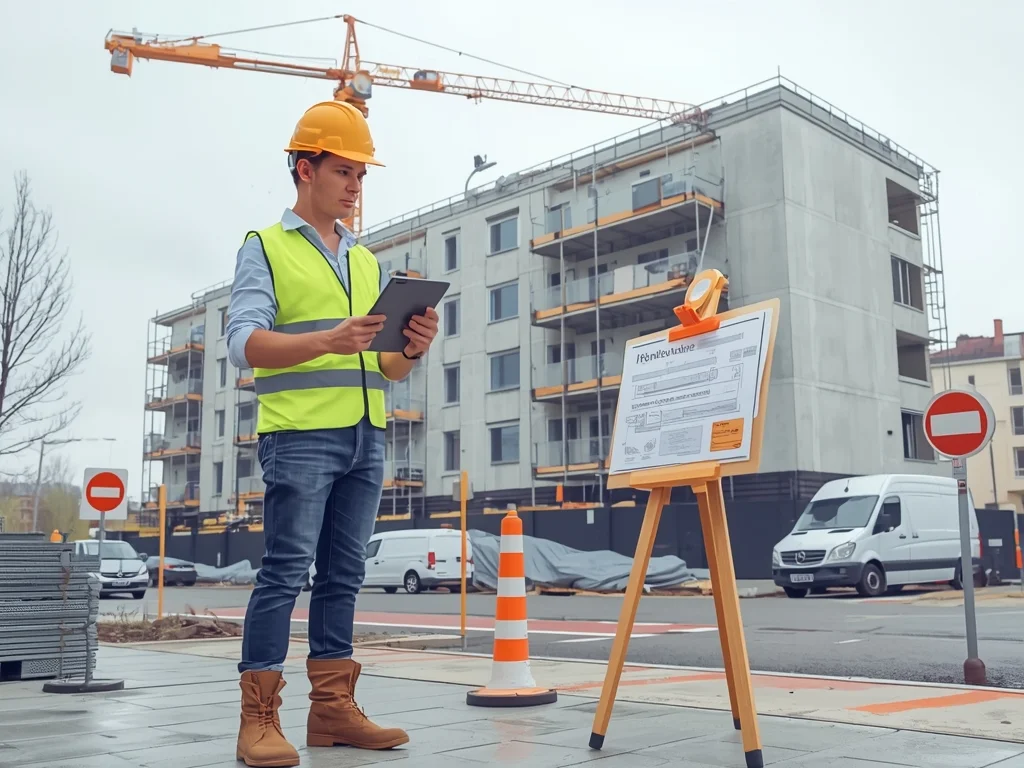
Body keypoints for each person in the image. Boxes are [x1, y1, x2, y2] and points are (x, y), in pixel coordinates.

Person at [226, 99, 439, 768]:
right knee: (286, 571)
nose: (355, 186)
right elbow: (244, 345)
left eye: (361, 175)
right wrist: (326, 338)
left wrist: (415, 347)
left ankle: (333, 712)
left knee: (345, 573)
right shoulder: (265, 247)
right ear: (304, 169)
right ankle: (259, 717)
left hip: (364, 435)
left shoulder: (369, 262)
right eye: (344, 171)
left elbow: (385, 366)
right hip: (298, 436)